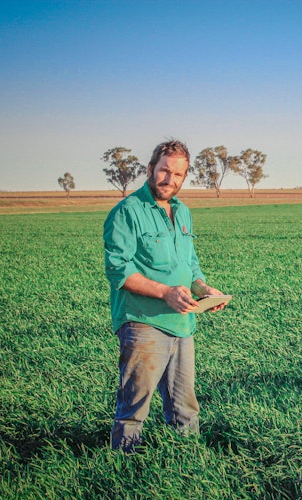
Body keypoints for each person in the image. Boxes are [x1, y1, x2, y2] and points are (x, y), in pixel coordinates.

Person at [103, 139, 227, 452]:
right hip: (143, 322)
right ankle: (123, 467)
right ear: (150, 169)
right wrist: (165, 293)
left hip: (183, 324)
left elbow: (190, 265)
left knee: (185, 408)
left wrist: (204, 289)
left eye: (178, 175)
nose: (169, 180)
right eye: (164, 171)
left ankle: (186, 464)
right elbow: (120, 271)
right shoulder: (127, 213)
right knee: (134, 409)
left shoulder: (183, 213)